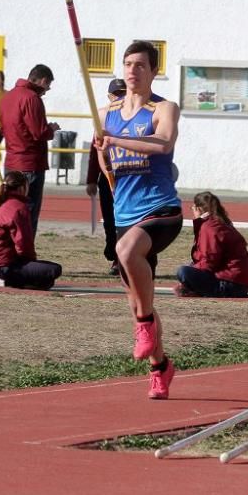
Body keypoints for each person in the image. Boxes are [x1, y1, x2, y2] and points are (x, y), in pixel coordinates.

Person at [94, 40, 182, 400]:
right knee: (136, 300)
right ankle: (160, 368)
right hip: (125, 214)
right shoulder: (105, 112)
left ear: (153, 71)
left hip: (161, 210)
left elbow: (163, 144)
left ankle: (145, 327)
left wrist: (115, 140)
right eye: (128, 64)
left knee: (127, 250)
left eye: (140, 65)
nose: (132, 71)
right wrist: (105, 153)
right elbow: (106, 166)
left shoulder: (164, 108)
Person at [0, 170, 63, 289]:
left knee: (41, 274)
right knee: (53, 270)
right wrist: (29, 262)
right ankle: (10, 281)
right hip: (1, 267)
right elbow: (23, 243)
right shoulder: (19, 207)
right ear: (22, 188)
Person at [0, 64, 59, 238]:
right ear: (43, 80)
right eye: (47, 86)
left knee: (10, 210)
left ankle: (8, 250)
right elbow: (39, 132)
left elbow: (3, 127)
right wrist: (51, 129)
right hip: (30, 164)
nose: (46, 91)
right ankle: (24, 254)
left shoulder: (8, 97)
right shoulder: (32, 98)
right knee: (28, 214)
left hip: (11, 161)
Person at [175, 191, 248, 298]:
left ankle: (199, 290)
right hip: (238, 282)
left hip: (230, 284)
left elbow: (209, 261)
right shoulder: (222, 223)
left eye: (192, 207)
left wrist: (187, 279)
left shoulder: (209, 227)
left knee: (183, 272)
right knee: (190, 267)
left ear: (199, 208)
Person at [86, 78, 127, 275]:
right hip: (107, 178)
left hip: (127, 178)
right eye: (116, 94)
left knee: (126, 220)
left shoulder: (132, 116)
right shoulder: (102, 117)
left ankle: (121, 259)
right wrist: (91, 179)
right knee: (110, 220)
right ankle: (113, 250)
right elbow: (94, 151)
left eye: (123, 93)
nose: (120, 97)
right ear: (109, 96)